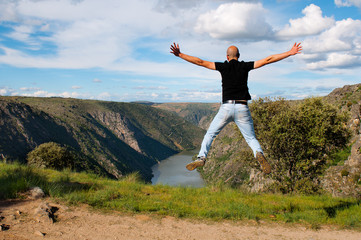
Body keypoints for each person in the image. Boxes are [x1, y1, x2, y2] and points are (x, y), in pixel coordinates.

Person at [170, 42, 302, 174]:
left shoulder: (223, 67)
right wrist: (289, 53)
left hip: (226, 107)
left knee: (210, 134)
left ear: (227, 57)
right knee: (251, 138)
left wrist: (180, 54)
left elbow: (200, 62)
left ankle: (201, 157)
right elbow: (268, 60)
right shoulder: (245, 66)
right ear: (238, 56)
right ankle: (258, 153)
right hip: (242, 107)